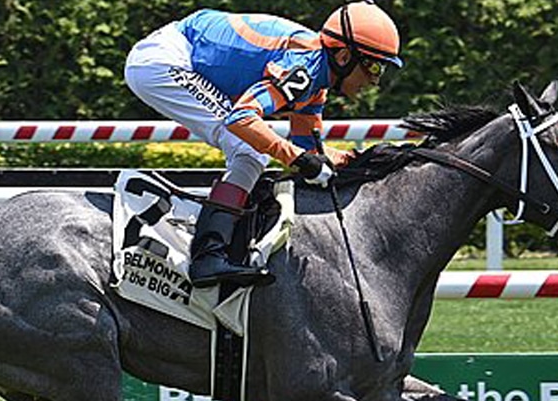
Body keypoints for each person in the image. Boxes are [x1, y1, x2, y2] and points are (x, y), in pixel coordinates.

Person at [124, 2, 402, 288]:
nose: (374, 81)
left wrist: (357, 160)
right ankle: (207, 257)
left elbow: (309, 151)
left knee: (252, 151)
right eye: (372, 66)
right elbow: (242, 118)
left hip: (172, 53)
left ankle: (213, 252)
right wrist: (298, 159)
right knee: (250, 150)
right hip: (164, 60)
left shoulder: (316, 82)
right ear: (344, 56)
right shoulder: (304, 67)